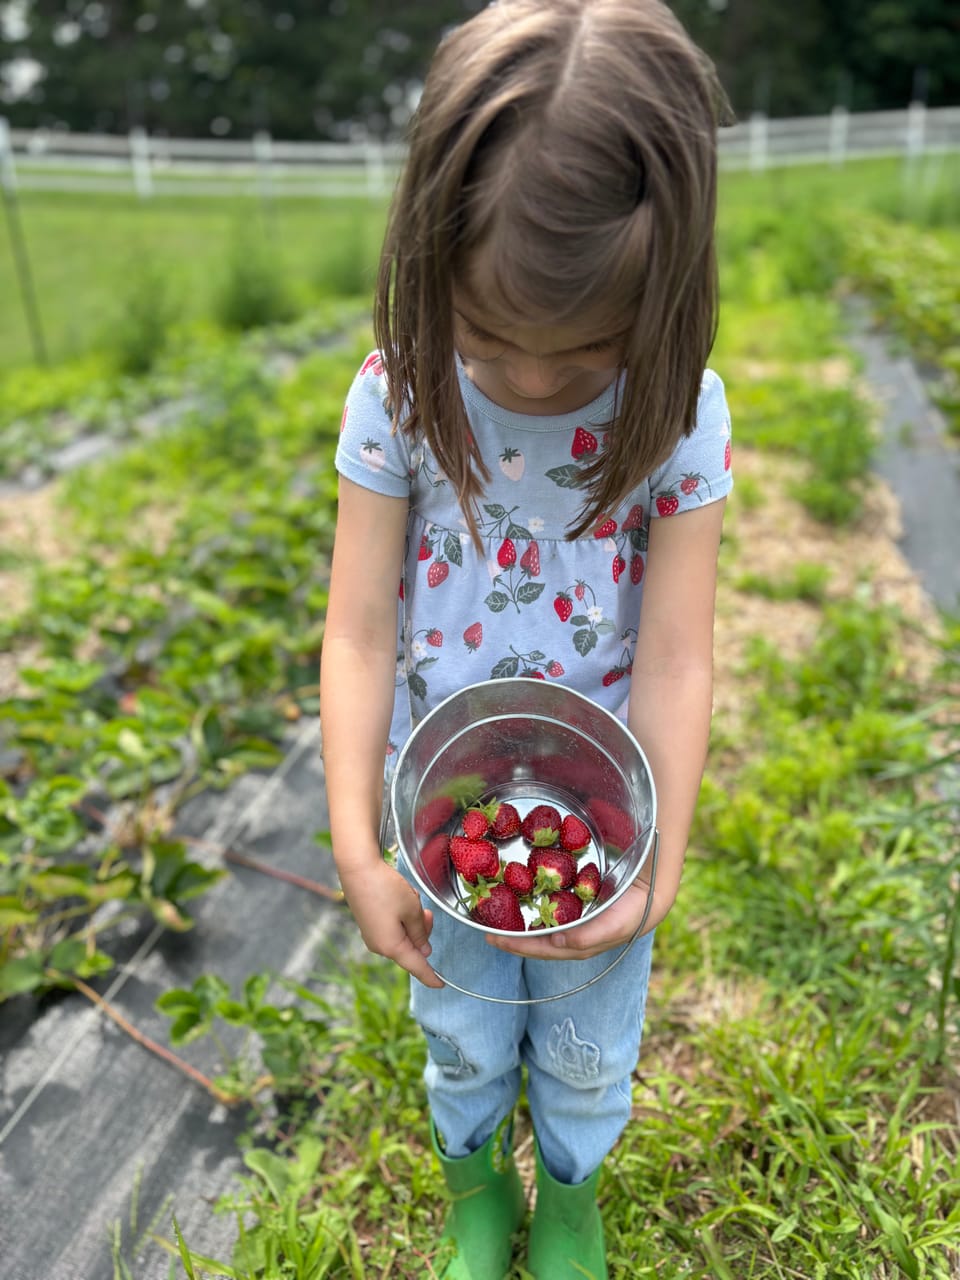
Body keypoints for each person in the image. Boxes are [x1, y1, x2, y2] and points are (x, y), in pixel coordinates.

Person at [319, 2, 733, 1276]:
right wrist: (357, 834)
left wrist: (651, 867)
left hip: (602, 831)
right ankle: (472, 1191)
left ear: (666, 297)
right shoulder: (400, 395)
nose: (541, 384)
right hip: (445, 812)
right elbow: (360, 624)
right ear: (422, 264)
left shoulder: (677, 416)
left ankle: (568, 1196)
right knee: (458, 1025)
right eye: (492, 338)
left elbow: (674, 655)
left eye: (591, 349)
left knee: (589, 1035)